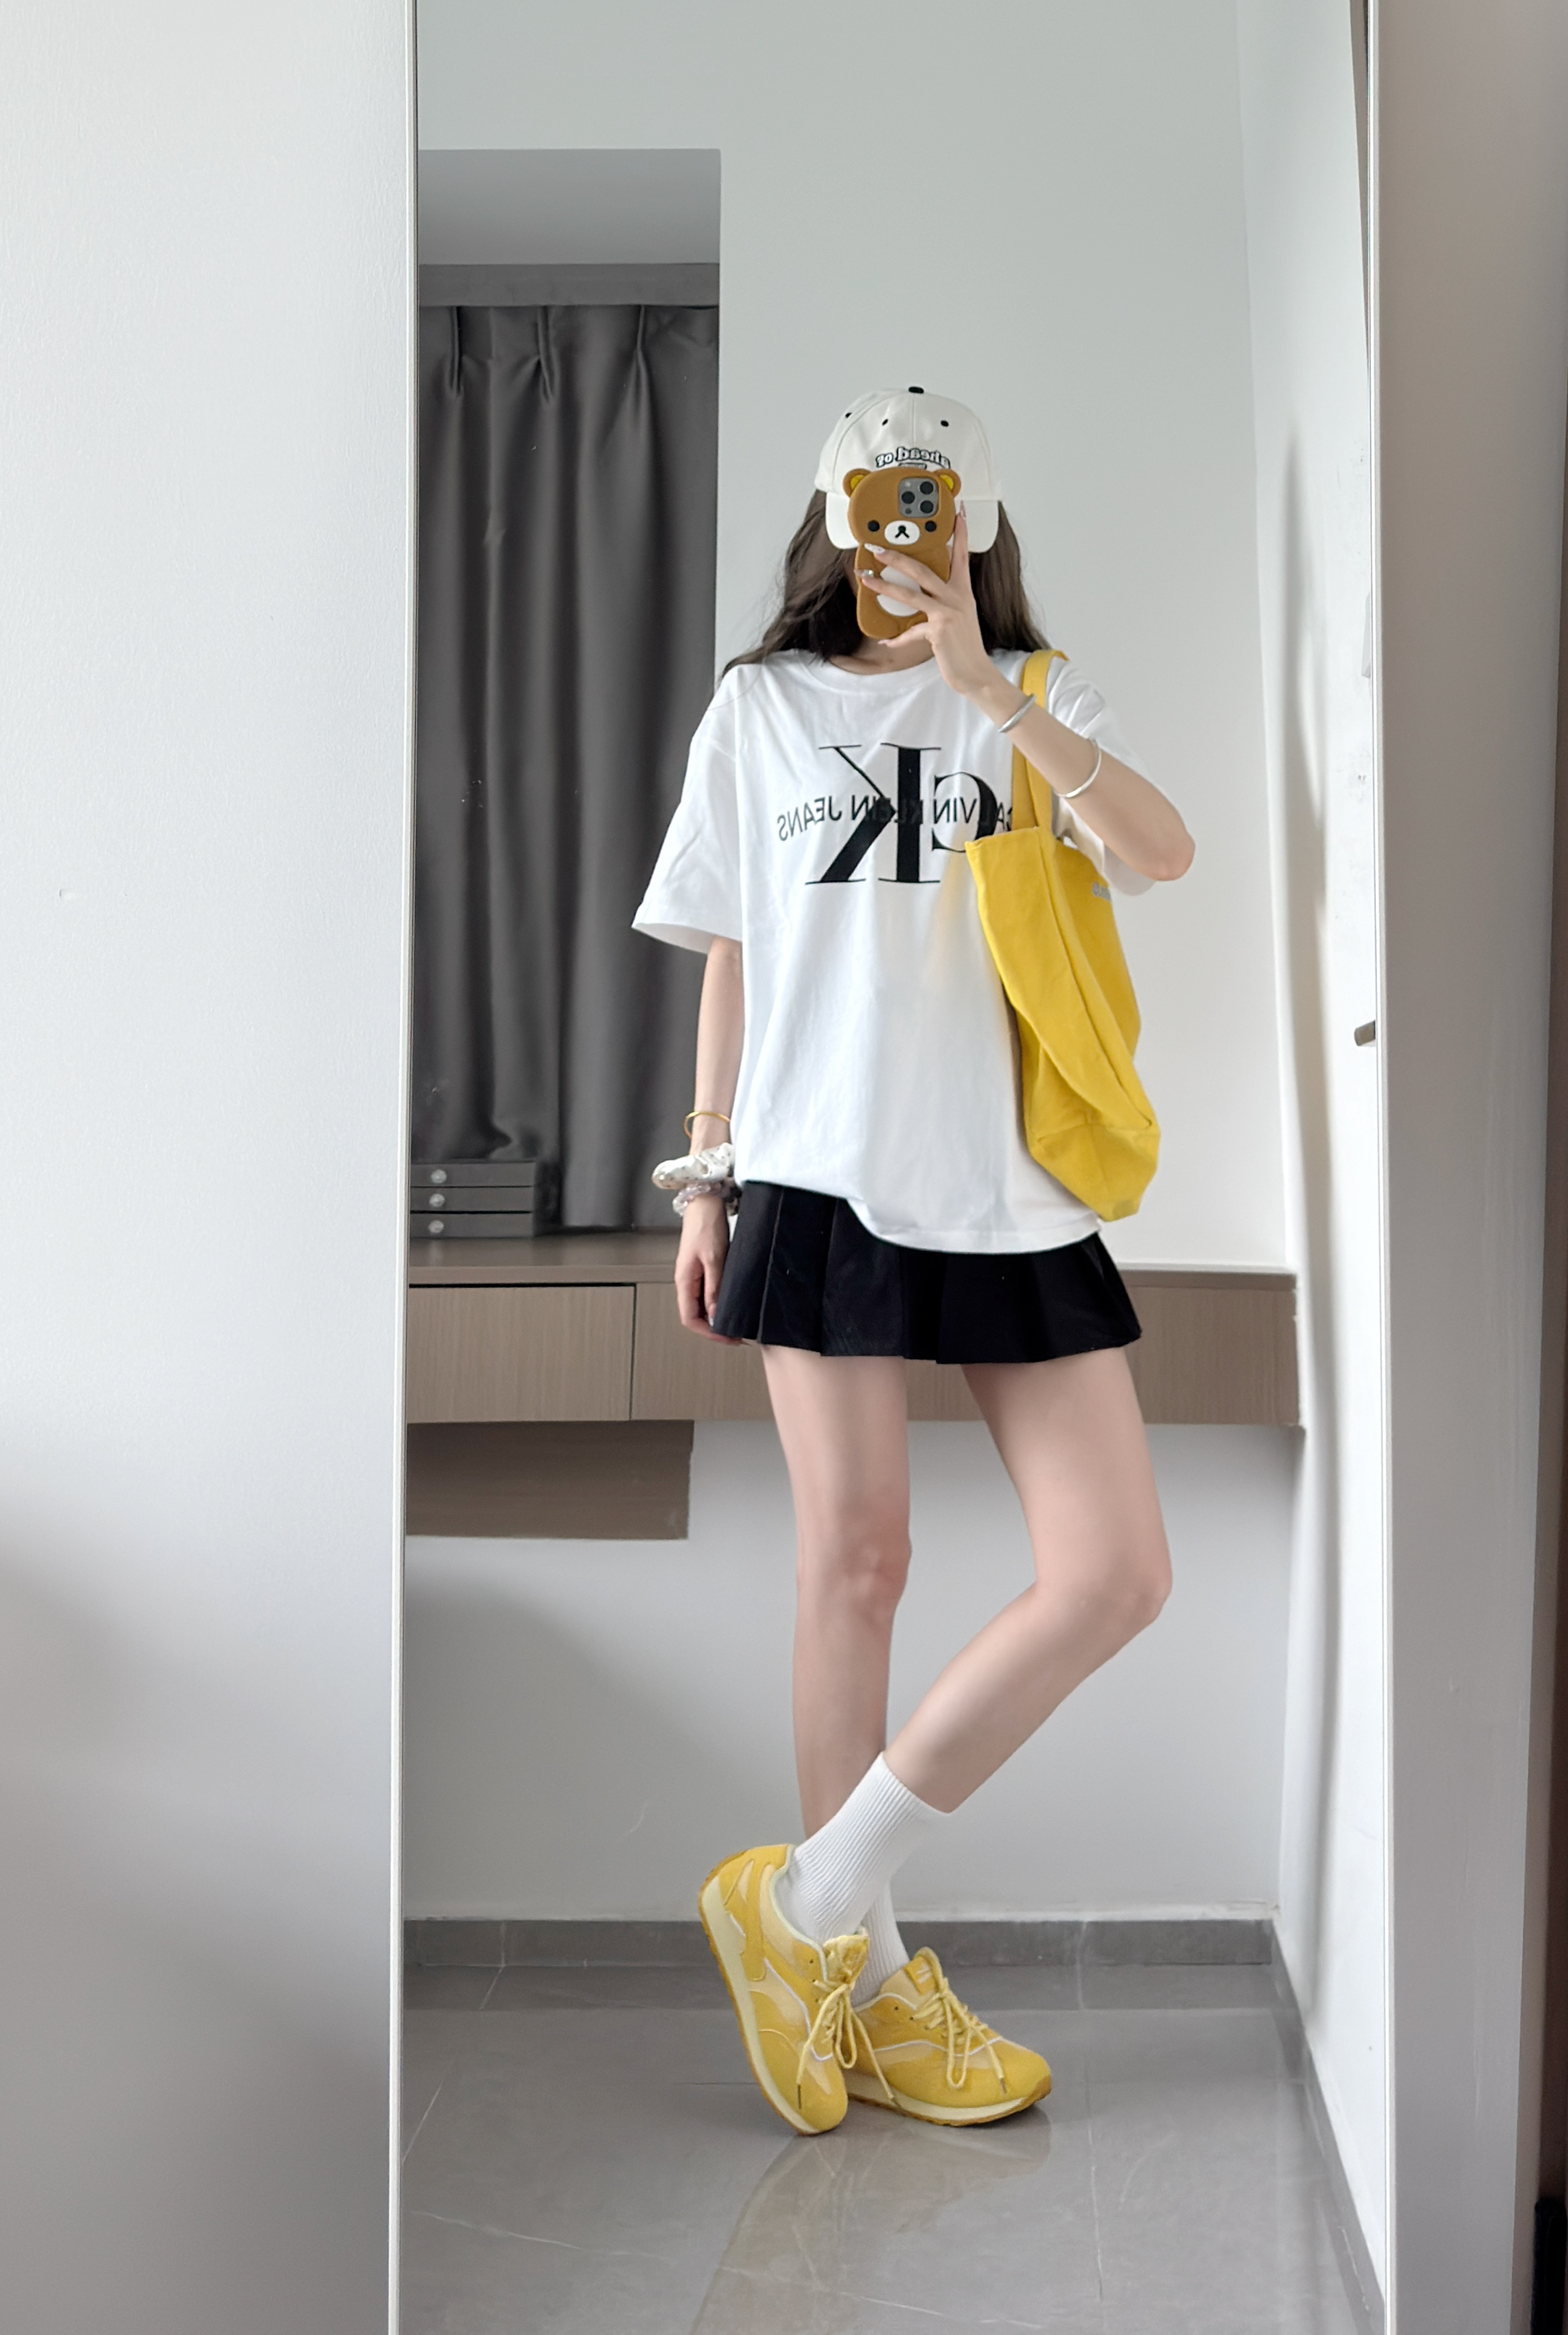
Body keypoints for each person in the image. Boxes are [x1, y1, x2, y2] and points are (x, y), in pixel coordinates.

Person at [633, 388, 1195, 2135]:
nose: (905, 535)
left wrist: (983, 691)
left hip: (1011, 1184)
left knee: (1114, 1574)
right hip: (815, 1174)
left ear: (975, 521)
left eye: (934, 506)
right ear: (836, 516)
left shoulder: (1032, 693)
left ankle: (802, 1905)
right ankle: (866, 1995)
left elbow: (1158, 853)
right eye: (881, 504)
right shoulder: (760, 705)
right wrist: (705, 1179)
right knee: (854, 1563)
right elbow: (732, 949)